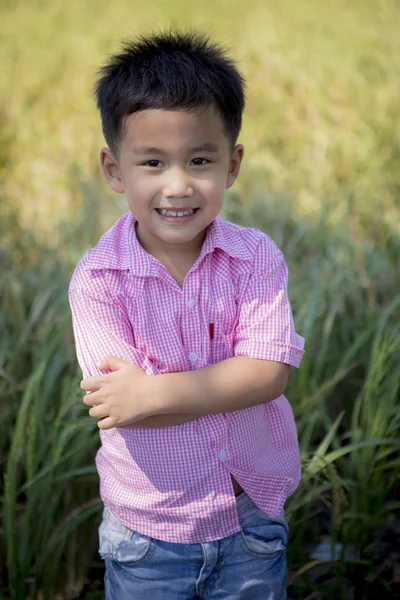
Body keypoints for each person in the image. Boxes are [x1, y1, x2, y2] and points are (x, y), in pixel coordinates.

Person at [68, 30, 305, 600]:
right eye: (152, 161)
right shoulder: (99, 280)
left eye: (200, 159)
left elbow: (268, 373)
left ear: (233, 164)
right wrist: (202, 387)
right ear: (115, 169)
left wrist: (153, 393)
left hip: (250, 512)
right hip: (148, 532)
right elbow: (120, 405)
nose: (178, 185)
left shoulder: (254, 259)